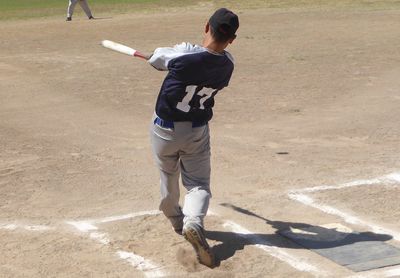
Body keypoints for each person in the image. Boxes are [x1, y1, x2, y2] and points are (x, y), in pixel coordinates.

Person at [148, 8, 239, 267]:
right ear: (231, 39)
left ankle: (177, 221)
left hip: (164, 130)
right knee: (198, 184)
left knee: (168, 176)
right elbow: (205, 56)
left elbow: (157, 58)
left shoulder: (183, 57)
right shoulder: (228, 64)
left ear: (206, 26)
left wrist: (178, 52)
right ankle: (193, 222)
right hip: (197, 130)